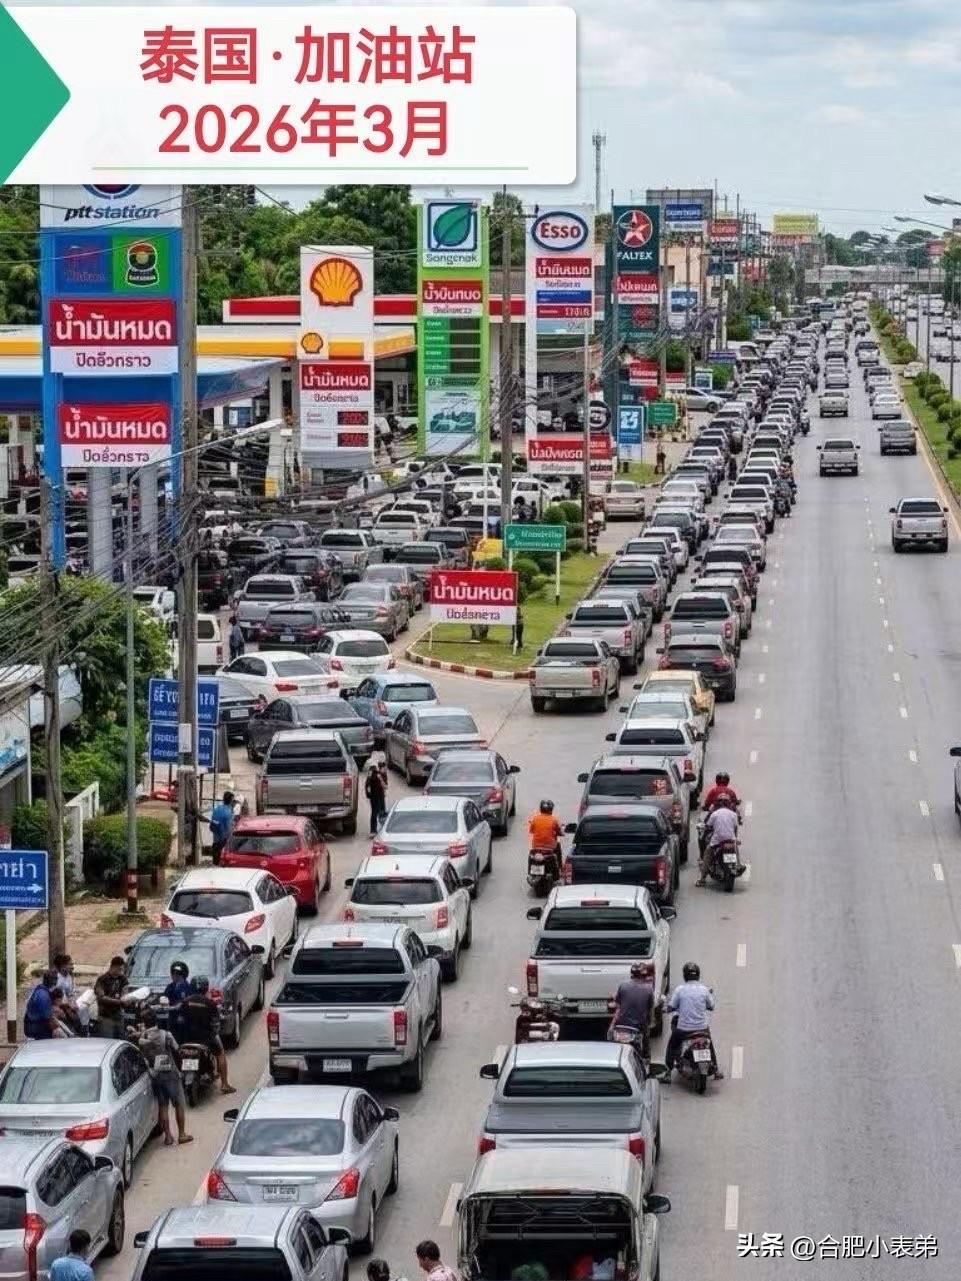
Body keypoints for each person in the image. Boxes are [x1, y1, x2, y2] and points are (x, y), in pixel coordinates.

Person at [138, 1007, 193, 1146]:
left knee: (163, 1106)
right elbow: (178, 1050)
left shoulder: (142, 1038)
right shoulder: (165, 1035)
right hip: (170, 1073)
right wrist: (186, 1055)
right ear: (156, 1019)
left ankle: (168, 1136)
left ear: (144, 1022)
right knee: (179, 1104)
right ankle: (182, 1134)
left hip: (156, 1074)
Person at [663, 961, 722, 1081]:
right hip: (702, 1029)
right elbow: (711, 1006)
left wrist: (666, 1009)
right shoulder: (704, 990)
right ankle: (716, 1070)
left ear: (685, 975)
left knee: (672, 1044)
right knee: (709, 1044)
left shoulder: (680, 990)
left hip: (683, 1030)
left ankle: (668, 1072)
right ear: (698, 975)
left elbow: (671, 1007)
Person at [179, 976, 235, 1095]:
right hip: (206, 1038)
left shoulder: (185, 1002)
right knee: (220, 1054)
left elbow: (180, 1020)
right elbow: (215, 1024)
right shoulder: (210, 1004)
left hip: (187, 1037)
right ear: (206, 988)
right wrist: (214, 1033)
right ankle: (224, 1084)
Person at [609, 962, 655, 1061]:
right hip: (639, 1026)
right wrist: (650, 1022)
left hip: (621, 1025)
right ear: (644, 975)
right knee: (646, 1040)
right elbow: (650, 1009)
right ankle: (646, 1059)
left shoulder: (623, 985)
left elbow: (618, 1004)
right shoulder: (649, 989)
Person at [697, 795, 741, 886]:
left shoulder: (714, 814)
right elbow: (735, 828)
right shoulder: (733, 814)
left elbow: (708, 825)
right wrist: (734, 838)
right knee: (736, 848)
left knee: (707, 854)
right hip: (730, 840)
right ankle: (738, 864)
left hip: (717, 841)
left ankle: (702, 879)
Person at [93, 956, 128, 1039]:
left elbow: (125, 992)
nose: (121, 972)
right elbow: (101, 997)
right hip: (106, 1016)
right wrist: (119, 1002)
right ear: (113, 967)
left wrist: (126, 1000)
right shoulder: (102, 979)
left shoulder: (122, 979)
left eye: (122, 969)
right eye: (119, 969)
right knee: (107, 1040)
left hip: (118, 1015)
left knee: (120, 1040)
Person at [23, 969, 58, 1039]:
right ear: (52, 981)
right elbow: (47, 1016)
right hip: (36, 1026)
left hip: (33, 1024)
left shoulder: (41, 990)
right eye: (55, 980)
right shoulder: (43, 995)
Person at [208, 791, 235, 865]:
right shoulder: (229, 812)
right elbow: (229, 828)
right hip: (224, 842)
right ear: (231, 800)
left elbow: (213, 822)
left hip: (215, 840)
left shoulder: (217, 808)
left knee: (215, 862)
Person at [365, 759, 388, 835]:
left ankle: (383, 829)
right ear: (379, 768)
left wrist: (380, 778)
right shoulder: (372, 773)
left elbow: (385, 786)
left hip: (381, 796)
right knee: (374, 812)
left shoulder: (384, 775)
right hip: (374, 796)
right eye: (384, 768)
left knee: (382, 812)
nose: (385, 770)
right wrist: (368, 793)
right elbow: (368, 784)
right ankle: (373, 830)